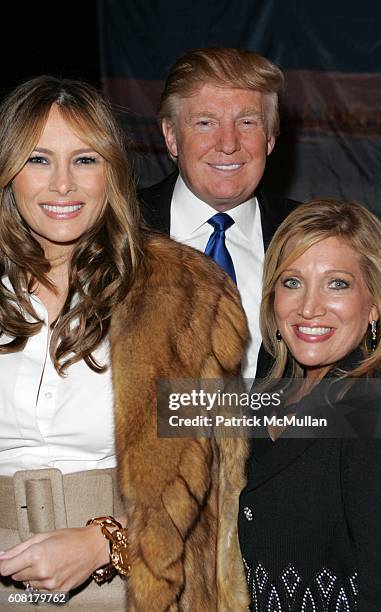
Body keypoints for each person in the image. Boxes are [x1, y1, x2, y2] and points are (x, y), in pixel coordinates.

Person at [0, 76, 250, 611]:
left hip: (128, 582)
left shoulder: (183, 294)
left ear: (111, 170)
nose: (62, 185)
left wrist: (104, 541)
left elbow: (210, 482)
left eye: (85, 160)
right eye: (39, 160)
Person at [238, 199, 381, 611]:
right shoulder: (268, 400)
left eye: (337, 284)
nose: (309, 308)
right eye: (292, 282)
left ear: (374, 305)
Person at [138, 47, 298, 381]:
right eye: (206, 122)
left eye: (247, 122)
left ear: (270, 138)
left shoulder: (310, 237)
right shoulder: (114, 227)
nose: (228, 143)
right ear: (171, 137)